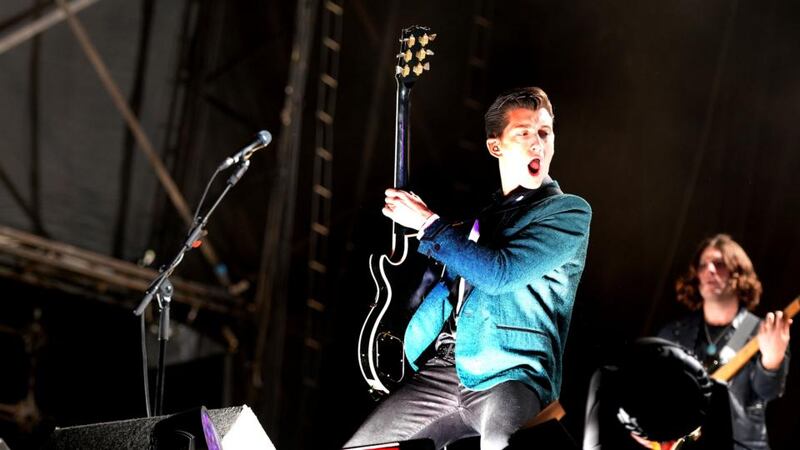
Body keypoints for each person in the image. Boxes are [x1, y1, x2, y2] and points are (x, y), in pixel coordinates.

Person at [344, 86, 592, 450]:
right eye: (523, 133)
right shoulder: (480, 220)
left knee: (506, 446)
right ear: (496, 146)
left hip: (511, 373)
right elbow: (451, 288)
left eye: (544, 132)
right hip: (443, 371)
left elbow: (500, 273)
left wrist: (430, 225)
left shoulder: (568, 212)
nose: (537, 143)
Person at [658, 234, 791, 450]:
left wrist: (772, 363)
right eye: (703, 265)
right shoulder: (672, 334)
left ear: (738, 274)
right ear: (697, 277)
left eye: (719, 264)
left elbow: (767, 393)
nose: (710, 270)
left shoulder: (760, 331)